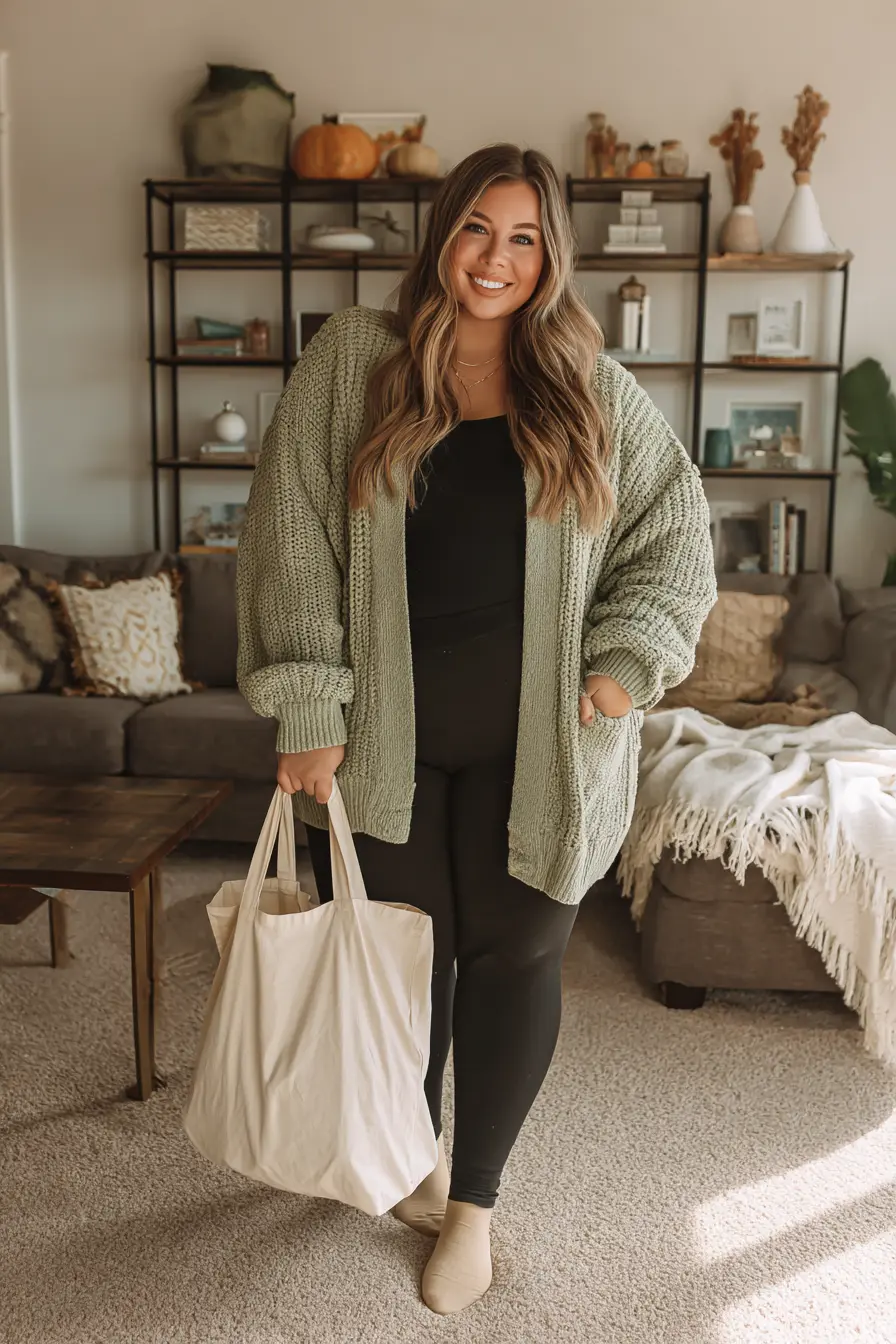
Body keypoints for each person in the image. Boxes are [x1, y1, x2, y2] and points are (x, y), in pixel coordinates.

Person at [236, 142, 716, 1315]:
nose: (492, 260)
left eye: (521, 238)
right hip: (385, 738)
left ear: (550, 255)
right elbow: (289, 536)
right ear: (439, 233)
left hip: (547, 744)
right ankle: (411, 1156)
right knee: (405, 966)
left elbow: (675, 539)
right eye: (473, 230)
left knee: (513, 960)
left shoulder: (589, 386)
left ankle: (475, 1204)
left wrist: (619, 672)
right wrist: (306, 701)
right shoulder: (355, 361)